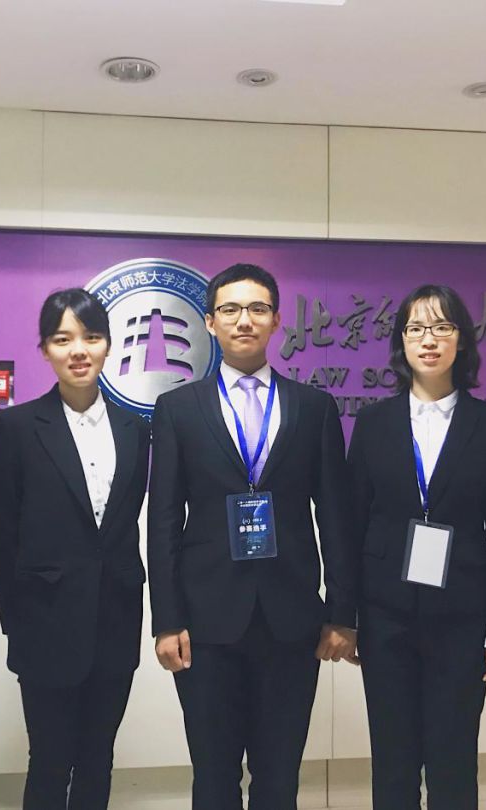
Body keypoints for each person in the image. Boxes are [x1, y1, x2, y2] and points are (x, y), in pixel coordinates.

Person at [147, 263, 358, 810]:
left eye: (258, 309)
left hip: (291, 620)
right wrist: (167, 619)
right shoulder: (177, 409)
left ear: (276, 321)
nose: (245, 320)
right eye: (231, 309)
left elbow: (335, 515)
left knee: (279, 776)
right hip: (205, 622)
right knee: (213, 776)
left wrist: (342, 612)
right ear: (210, 322)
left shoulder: (313, 407)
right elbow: (163, 519)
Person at [347, 284, 486, 810]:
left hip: (464, 617)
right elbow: (352, 525)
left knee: (453, 758)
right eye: (417, 328)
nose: (429, 340)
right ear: (401, 341)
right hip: (385, 616)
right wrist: (346, 616)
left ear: (461, 341)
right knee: (393, 757)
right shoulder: (373, 423)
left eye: (442, 327)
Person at [0, 288, 150, 810]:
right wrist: (15, 623)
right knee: (50, 759)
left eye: (91, 337)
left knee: (98, 756)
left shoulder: (135, 429)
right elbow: (1, 535)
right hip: (45, 623)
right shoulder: (18, 427)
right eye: (63, 339)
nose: (78, 350)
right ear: (44, 350)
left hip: (116, 620)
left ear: (108, 345)